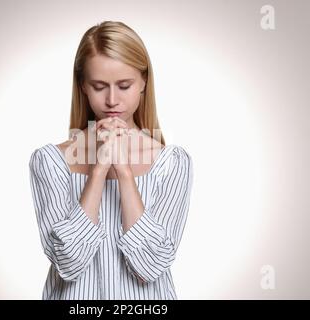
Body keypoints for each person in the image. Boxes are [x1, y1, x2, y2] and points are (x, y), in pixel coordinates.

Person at [29, 20, 194, 299]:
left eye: (125, 85)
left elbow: (150, 266)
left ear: (143, 82)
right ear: (82, 85)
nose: (112, 100)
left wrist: (125, 173)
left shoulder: (172, 163)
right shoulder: (50, 161)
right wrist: (97, 172)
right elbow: (68, 263)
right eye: (99, 86)